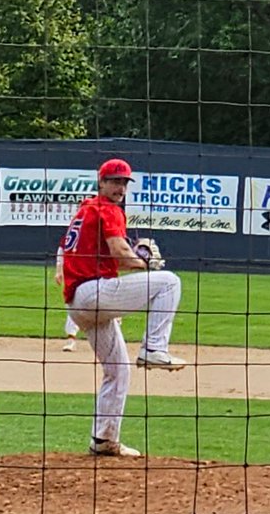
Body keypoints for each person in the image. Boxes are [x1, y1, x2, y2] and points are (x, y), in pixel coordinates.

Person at [61, 157, 186, 457]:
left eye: (124, 182)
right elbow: (119, 251)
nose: (119, 187)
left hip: (80, 304)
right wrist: (145, 262)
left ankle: (104, 440)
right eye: (114, 181)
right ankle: (154, 348)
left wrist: (136, 259)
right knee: (169, 282)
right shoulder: (108, 209)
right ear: (101, 182)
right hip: (93, 294)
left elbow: (110, 255)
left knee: (118, 371)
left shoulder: (86, 209)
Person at [54, 241, 81, 351]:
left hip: (94, 271)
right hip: (74, 273)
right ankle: (71, 338)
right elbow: (62, 248)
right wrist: (59, 270)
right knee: (73, 304)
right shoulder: (76, 228)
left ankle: (116, 320)